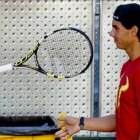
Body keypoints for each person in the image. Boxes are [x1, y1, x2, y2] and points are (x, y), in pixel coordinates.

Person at [55, 3, 140, 140]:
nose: (111, 33)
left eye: (116, 28)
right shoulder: (127, 67)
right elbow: (124, 119)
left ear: (133, 31)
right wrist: (80, 123)